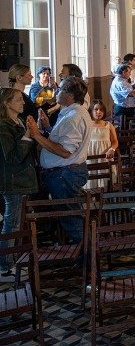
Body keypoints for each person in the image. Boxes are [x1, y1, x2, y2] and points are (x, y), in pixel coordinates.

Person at [28, 76, 92, 243]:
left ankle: (88, 260)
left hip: (65, 174)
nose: (56, 91)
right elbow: (62, 140)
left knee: (71, 219)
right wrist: (48, 127)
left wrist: (36, 135)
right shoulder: (73, 112)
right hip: (64, 172)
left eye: (60, 89)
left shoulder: (73, 117)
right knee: (69, 216)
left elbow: (65, 152)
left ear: (70, 95)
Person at [0, 88, 39, 278]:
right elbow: (12, 157)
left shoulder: (20, 121)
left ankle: (14, 261)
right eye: (18, 100)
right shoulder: (3, 126)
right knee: (11, 222)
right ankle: (5, 266)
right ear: (7, 103)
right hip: (13, 181)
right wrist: (27, 136)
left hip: (24, 179)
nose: (23, 103)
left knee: (17, 223)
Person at [84, 100, 119, 190]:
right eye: (96, 109)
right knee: (92, 179)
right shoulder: (86, 125)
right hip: (91, 154)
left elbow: (115, 141)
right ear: (91, 111)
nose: (99, 112)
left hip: (104, 155)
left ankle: (105, 198)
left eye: (101, 110)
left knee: (105, 179)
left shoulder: (108, 125)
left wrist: (112, 149)